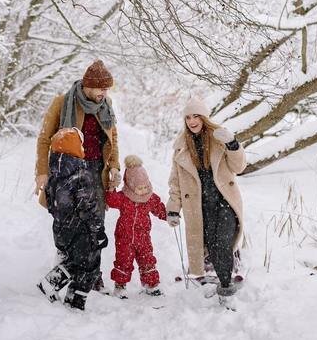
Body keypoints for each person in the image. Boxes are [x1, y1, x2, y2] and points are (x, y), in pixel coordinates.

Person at [34, 59, 120, 292]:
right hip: (68, 171)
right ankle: (66, 269)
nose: (104, 92)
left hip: (97, 171)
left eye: (107, 89)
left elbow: (113, 138)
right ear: (87, 86)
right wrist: (42, 171)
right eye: (101, 88)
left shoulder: (107, 105)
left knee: (95, 224)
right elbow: (44, 138)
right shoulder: (63, 102)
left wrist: (114, 166)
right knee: (70, 225)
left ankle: (93, 276)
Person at [166, 97, 247, 309]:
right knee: (212, 246)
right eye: (188, 117)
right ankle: (224, 278)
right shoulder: (181, 146)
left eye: (196, 116)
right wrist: (173, 208)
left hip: (225, 201)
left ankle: (226, 290)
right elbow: (176, 182)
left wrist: (232, 144)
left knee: (222, 243)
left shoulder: (219, 137)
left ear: (204, 118)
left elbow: (239, 167)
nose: (192, 121)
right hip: (201, 208)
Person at [37, 127, 109, 310]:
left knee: (77, 261)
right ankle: (69, 296)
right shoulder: (81, 175)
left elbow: (50, 204)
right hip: (81, 229)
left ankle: (70, 297)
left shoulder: (54, 175)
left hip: (61, 228)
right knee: (88, 264)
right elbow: (88, 206)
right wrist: (98, 229)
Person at [105, 155, 167, 299]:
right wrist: (112, 187)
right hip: (124, 238)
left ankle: (151, 285)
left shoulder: (150, 197)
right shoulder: (124, 197)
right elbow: (111, 200)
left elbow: (159, 208)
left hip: (143, 237)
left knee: (148, 260)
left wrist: (169, 215)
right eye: (140, 188)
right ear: (131, 186)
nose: (144, 190)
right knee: (123, 261)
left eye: (146, 186)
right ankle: (120, 287)